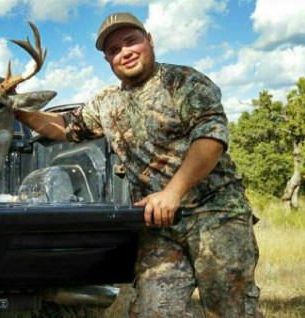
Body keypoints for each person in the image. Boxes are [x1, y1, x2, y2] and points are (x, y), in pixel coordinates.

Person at [15, 12, 263, 317]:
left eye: (131, 41)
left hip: (216, 212)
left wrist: (173, 193)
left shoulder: (183, 81)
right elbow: (65, 128)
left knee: (231, 309)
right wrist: (17, 109)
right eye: (114, 49)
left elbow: (210, 139)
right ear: (108, 60)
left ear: (149, 41)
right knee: (155, 310)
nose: (125, 52)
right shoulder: (106, 103)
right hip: (158, 225)